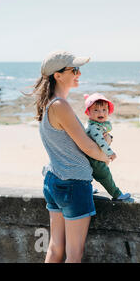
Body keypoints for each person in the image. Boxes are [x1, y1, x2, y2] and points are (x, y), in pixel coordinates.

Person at [31, 50, 112, 263]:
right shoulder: (60, 105)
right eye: (74, 70)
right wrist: (107, 154)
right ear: (58, 75)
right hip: (73, 184)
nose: (79, 74)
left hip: (53, 181)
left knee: (55, 248)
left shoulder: (48, 103)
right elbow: (87, 147)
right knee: (74, 254)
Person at [83, 92, 132, 201]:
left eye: (104, 110)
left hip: (91, 156)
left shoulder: (95, 125)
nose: (101, 113)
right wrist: (110, 153)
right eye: (96, 110)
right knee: (105, 176)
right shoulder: (93, 128)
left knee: (87, 175)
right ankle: (117, 194)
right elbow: (101, 142)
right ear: (88, 113)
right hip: (94, 158)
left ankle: (87, 189)